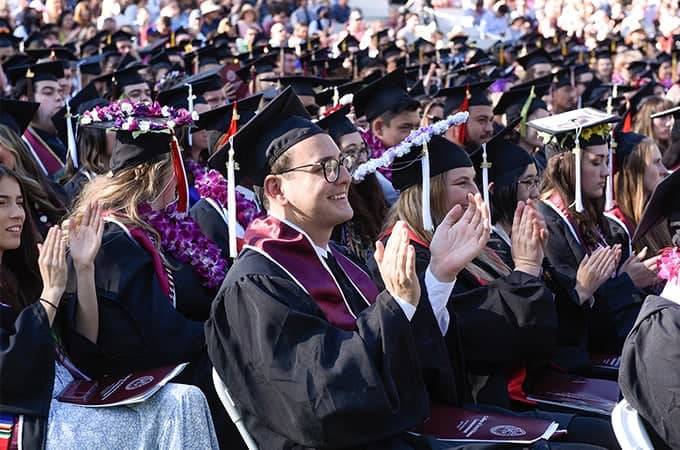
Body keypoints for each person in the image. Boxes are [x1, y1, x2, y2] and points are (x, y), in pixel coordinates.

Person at [206, 87, 493, 449]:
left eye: (342, 162)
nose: (344, 176)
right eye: (324, 168)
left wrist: (438, 275)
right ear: (276, 189)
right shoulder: (257, 286)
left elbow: (401, 360)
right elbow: (324, 399)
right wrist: (397, 304)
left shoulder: (339, 260)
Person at [60, 100, 241, 447]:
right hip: (156, 383)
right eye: (176, 168)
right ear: (156, 175)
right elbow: (158, 337)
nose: (183, 177)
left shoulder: (157, 228)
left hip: (182, 361)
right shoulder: (114, 243)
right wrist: (230, 331)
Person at [0, 166, 220, 449]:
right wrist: (50, 294)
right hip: (31, 418)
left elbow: (84, 350)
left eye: (19, 202)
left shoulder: (22, 277)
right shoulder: (41, 283)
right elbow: (10, 369)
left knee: (185, 399)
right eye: (2, 203)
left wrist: (83, 268)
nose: (17, 213)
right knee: (175, 412)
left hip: (67, 398)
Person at [535, 111, 656, 355]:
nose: (605, 172)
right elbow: (572, 311)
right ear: (569, 165)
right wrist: (626, 282)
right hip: (584, 359)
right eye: (595, 162)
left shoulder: (593, 218)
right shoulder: (548, 223)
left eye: (606, 162)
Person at [317, 104, 388, 263]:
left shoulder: (374, 196)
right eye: (350, 152)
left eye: (363, 150)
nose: (362, 159)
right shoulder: (330, 214)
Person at [353, 69, 420, 205]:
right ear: (379, 128)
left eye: (417, 127)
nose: (415, 135)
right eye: (405, 127)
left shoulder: (422, 153)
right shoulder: (360, 165)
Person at [609, 131, 671, 255]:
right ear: (635, 172)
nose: (664, 170)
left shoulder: (659, 217)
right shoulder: (616, 226)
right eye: (656, 162)